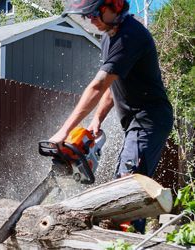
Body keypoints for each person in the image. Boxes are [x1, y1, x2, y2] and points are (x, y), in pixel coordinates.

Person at [53, 0, 174, 233]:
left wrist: (64, 131)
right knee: (127, 184)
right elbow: (113, 82)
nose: (91, 20)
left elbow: (98, 86)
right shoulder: (109, 37)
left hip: (149, 119)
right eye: (87, 16)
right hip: (137, 121)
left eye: (94, 14)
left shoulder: (130, 36)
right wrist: (97, 119)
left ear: (114, 7)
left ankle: (128, 241)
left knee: (127, 185)